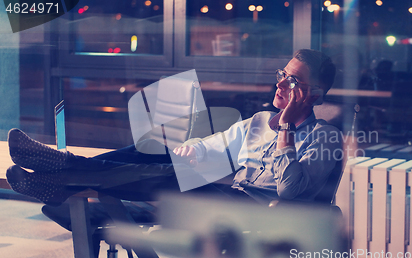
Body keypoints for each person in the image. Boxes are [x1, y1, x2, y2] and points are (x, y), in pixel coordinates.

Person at [6, 49, 342, 206]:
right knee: (152, 151)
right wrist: (192, 149)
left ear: (313, 95)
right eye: (282, 74)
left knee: (169, 179)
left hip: (259, 216)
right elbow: (213, 147)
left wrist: (285, 128)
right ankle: (62, 176)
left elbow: (289, 191)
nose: (281, 84)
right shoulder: (256, 123)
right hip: (226, 197)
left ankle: (64, 174)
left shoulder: (326, 138)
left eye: (293, 80)